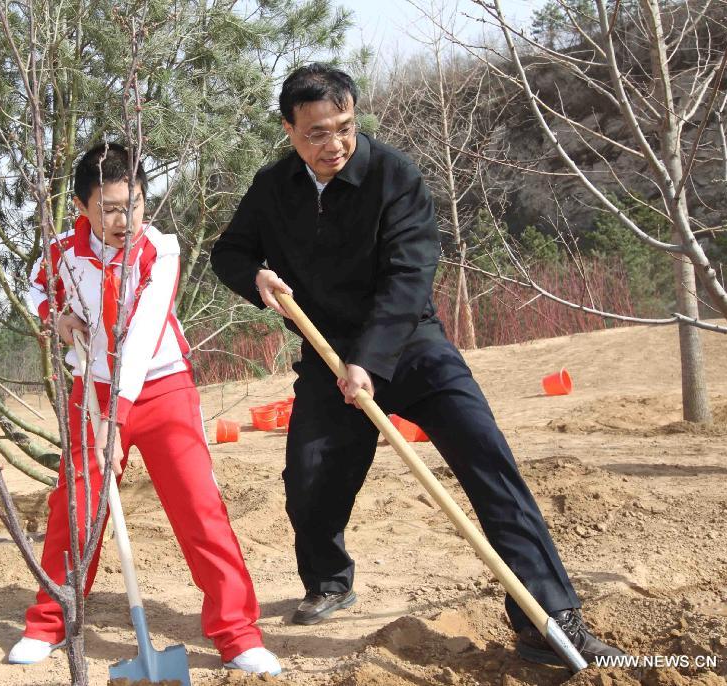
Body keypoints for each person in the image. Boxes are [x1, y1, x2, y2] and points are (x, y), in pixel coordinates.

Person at [210, 64, 623, 666]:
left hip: (411, 344)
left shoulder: (394, 176)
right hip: (327, 353)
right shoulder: (275, 187)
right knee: (309, 478)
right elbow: (230, 251)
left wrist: (369, 361)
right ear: (290, 132)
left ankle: (549, 620)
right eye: (317, 134)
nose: (334, 145)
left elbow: (408, 277)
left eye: (345, 128)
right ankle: (329, 580)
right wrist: (256, 277)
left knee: (489, 460)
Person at [8, 143, 281, 676]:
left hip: (160, 388)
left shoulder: (161, 251)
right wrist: (58, 315)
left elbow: (141, 337)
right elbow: (36, 287)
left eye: (132, 205)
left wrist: (120, 415)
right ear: (83, 209)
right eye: (108, 208)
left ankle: (236, 633)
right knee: (77, 507)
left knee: (198, 507)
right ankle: (50, 622)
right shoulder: (63, 251)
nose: (123, 220)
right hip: (92, 392)